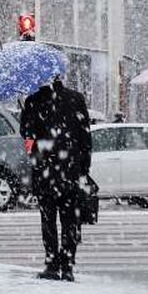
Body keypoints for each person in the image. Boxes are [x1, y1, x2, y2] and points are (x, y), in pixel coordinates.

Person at [20, 76, 92, 282]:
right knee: (70, 220)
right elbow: (85, 136)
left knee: (48, 219)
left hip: (45, 171)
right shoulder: (76, 99)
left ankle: (51, 263)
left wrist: (34, 155)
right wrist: (84, 166)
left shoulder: (33, 101)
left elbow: (27, 138)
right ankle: (68, 264)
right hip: (70, 170)